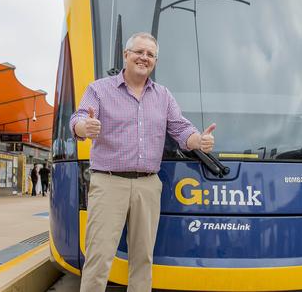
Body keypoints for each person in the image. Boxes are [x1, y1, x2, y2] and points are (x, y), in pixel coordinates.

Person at [70, 32, 216, 292]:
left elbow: (181, 130)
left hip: (148, 186)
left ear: (155, 62)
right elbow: (78, 119)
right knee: (99, 257)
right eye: (139, 52)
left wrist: (198, 140)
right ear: (126, 55)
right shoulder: (99, 89)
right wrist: (85, 127)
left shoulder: (163, 96)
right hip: (108, 182)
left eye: (150, 54)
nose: (144, 58)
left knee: (143, 259)